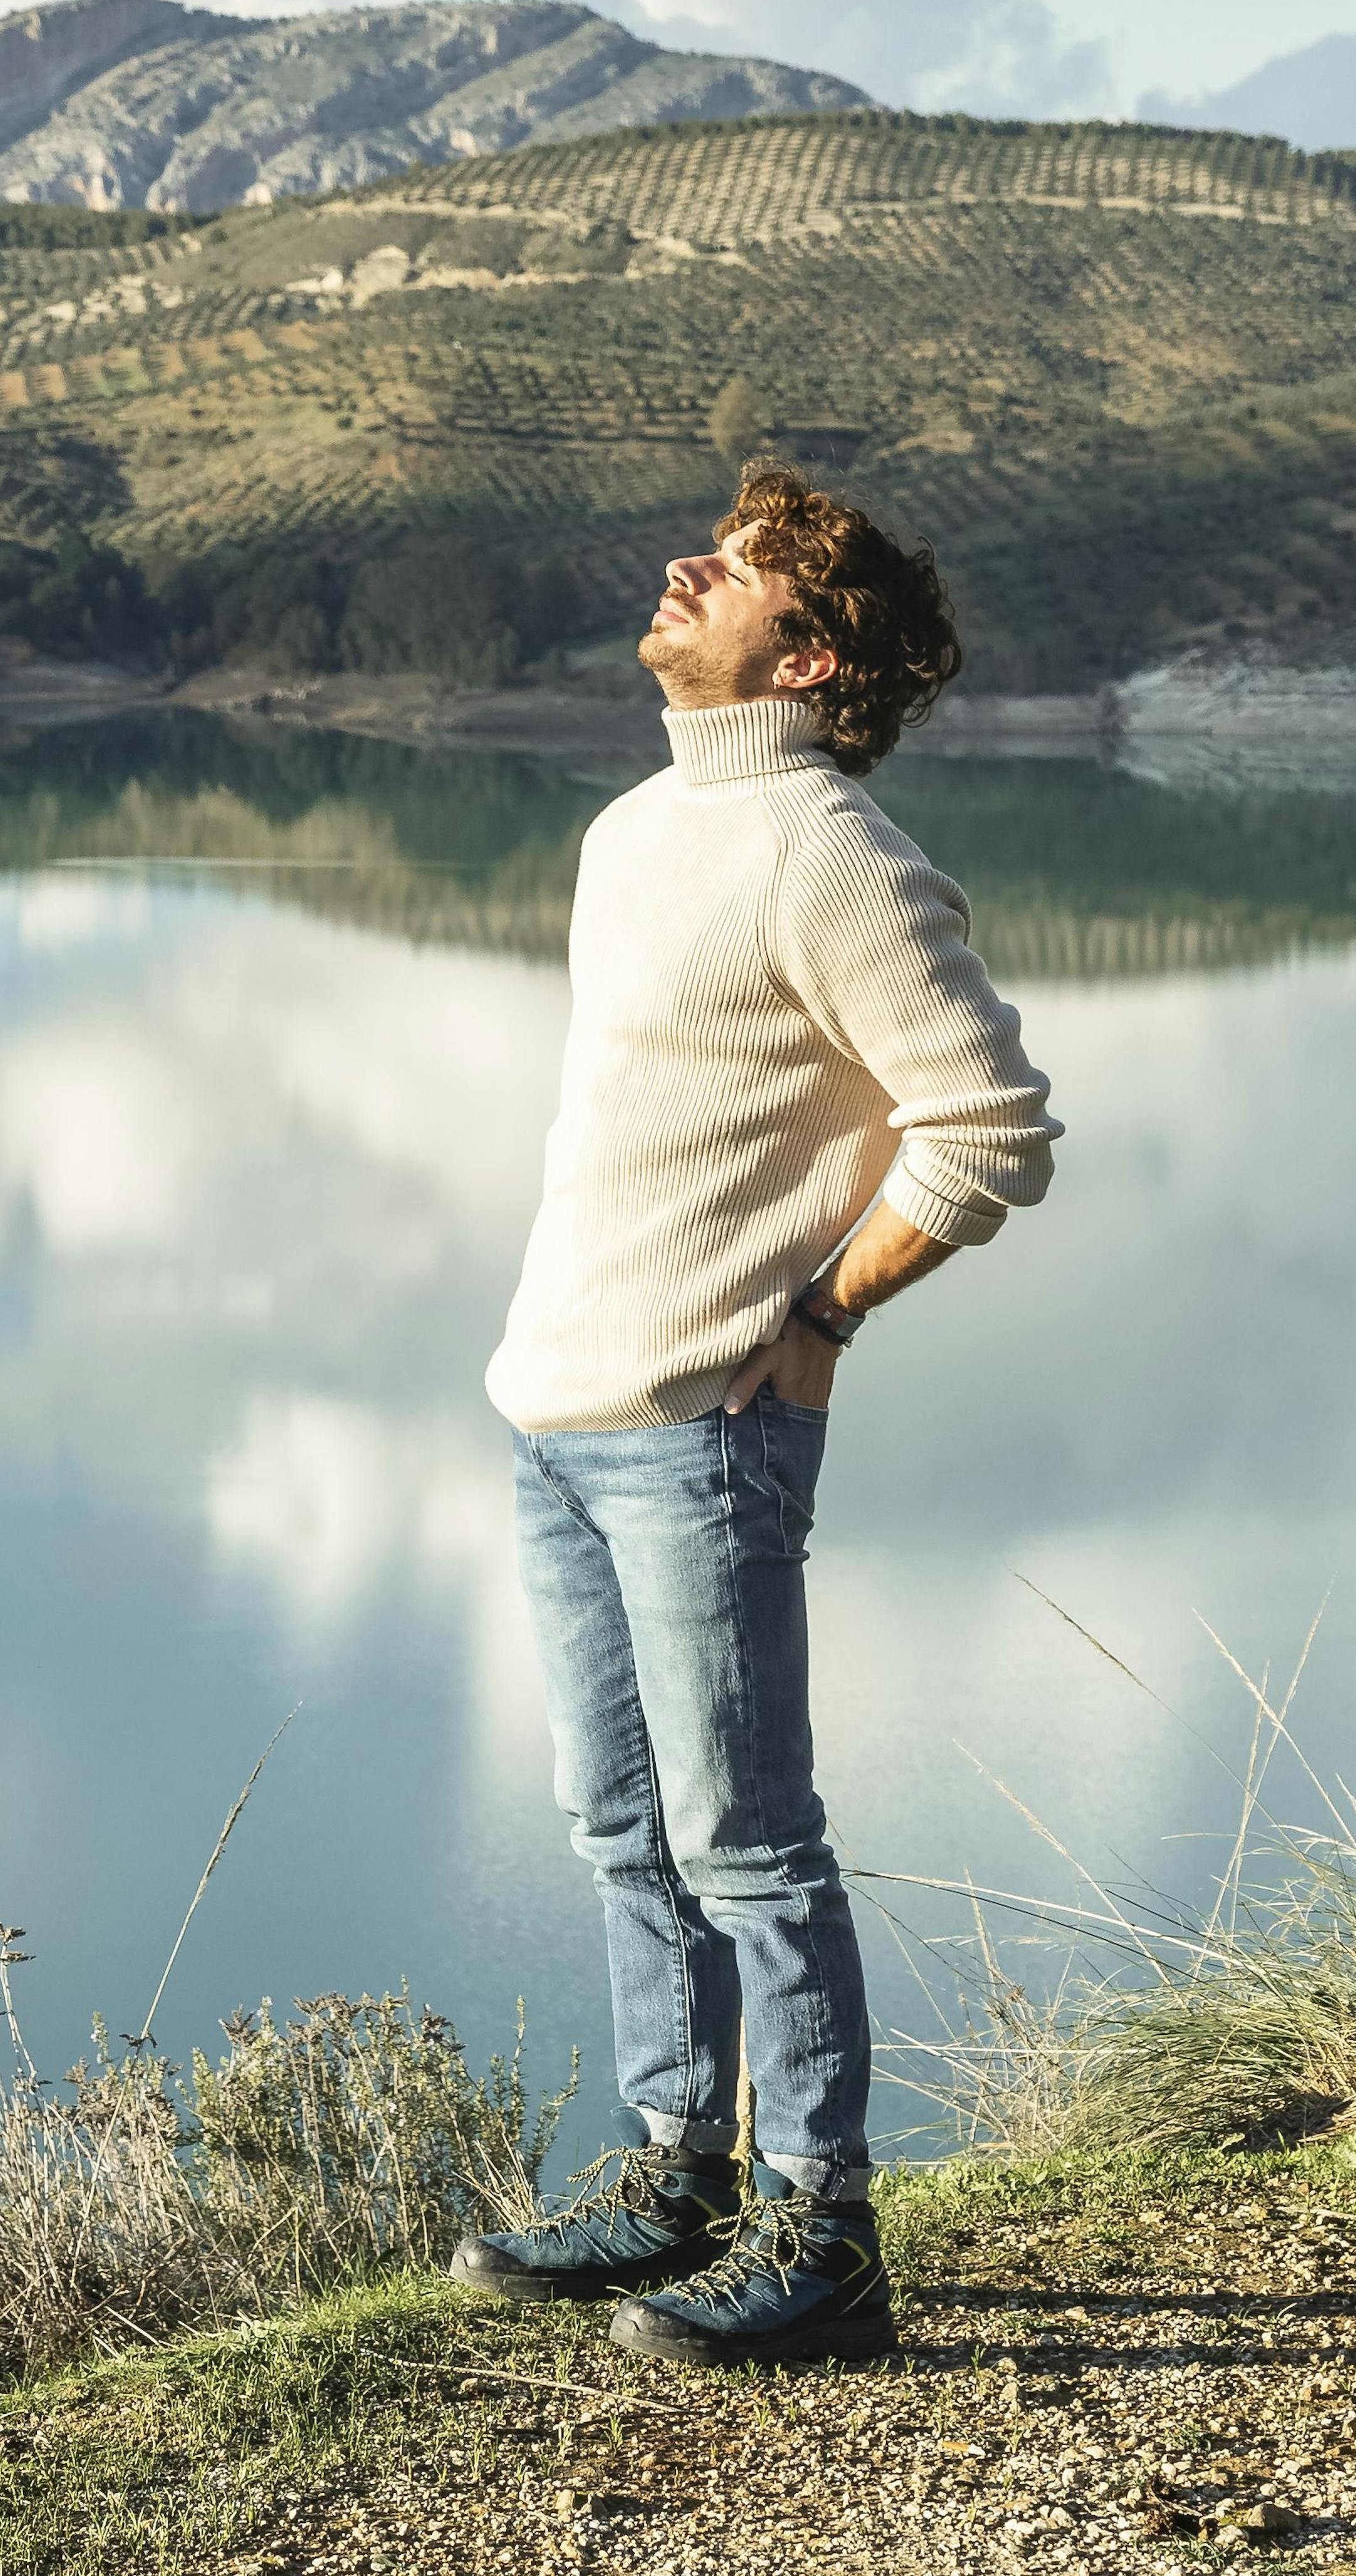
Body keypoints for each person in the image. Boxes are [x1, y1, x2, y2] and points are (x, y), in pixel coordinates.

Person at [446, 462, 1058, 2366]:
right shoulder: (636, 829)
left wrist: (819, 1321)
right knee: (615, 1824)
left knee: (745, 1840)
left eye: (741, 570)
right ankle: (669, 2181)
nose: (682, 567)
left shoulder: (830, 852)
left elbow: (991, 1132)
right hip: (555, 1407)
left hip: (702, 1425)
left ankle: (823, 2229)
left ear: (800, 650)